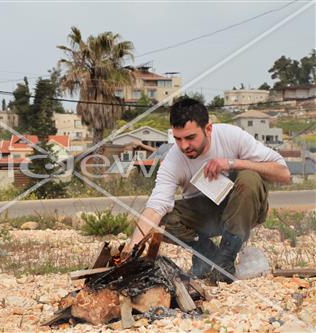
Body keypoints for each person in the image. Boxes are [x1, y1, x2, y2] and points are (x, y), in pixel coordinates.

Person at [122, 98, 291, 283]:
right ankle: (207, 253)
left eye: (190, 137)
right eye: (178, 139)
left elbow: (283, 174)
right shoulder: (173, 160)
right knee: (158, 219)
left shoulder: (231, 136)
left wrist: (232, 163)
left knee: (249, 177)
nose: (184, 146)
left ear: (208, 129)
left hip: (243, 208)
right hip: (205, 216)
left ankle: (225, 260)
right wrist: (132, 247)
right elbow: (156, 207)